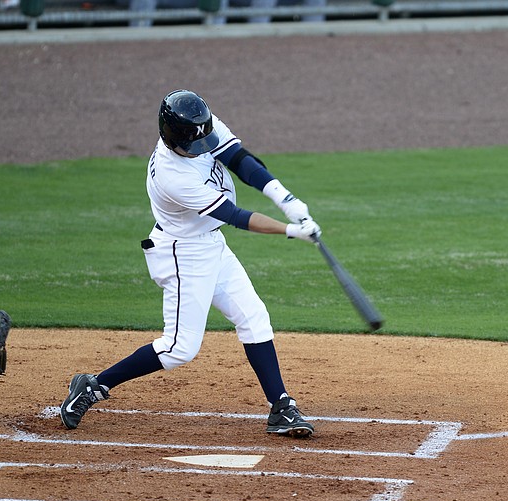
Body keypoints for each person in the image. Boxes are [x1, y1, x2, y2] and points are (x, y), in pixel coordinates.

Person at [59, 89, 321, 438]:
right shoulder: (172, 176)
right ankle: (93, 385)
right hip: (183, 253)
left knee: (254, 318)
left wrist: (287, 200)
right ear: (171, 138)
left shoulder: (200, 125)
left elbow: (241, 160)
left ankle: (281, 407)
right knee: (180, 347)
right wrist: (290, 230)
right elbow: (234, 215)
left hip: (210, 243)